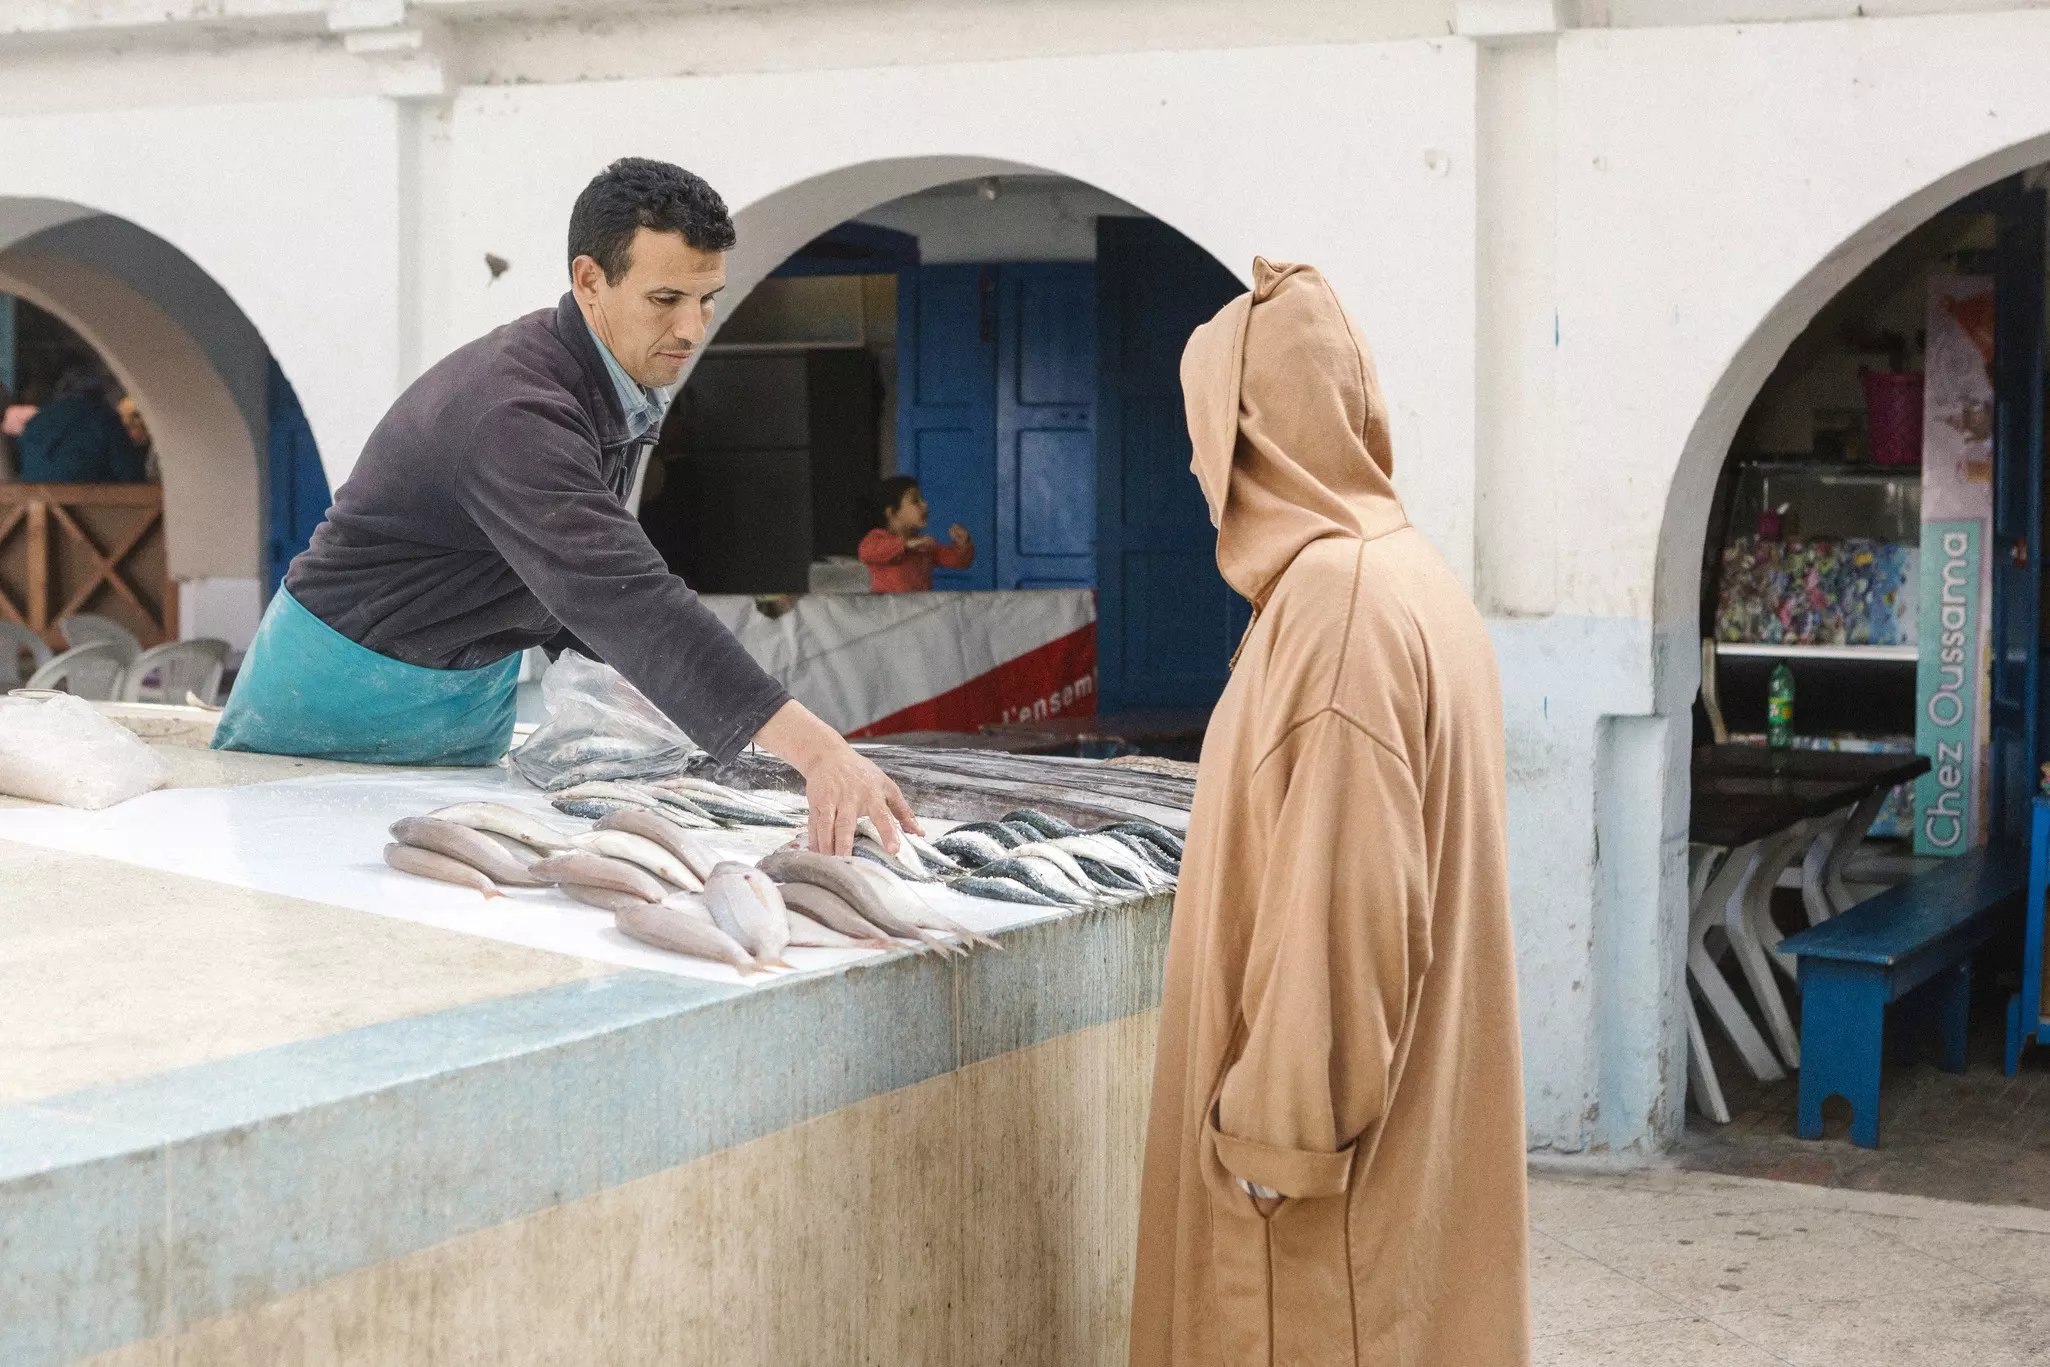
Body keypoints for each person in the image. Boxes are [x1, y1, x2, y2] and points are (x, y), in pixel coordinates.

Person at [212, 158, 916, 855]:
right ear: (589, 281)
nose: (692, 329)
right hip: (332, 707)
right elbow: (621, 591)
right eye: (665, 299)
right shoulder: (513, 410)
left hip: (453, 710)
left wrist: (641, 707)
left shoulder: (619, 383)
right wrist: (817, 749)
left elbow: (564, 585)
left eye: (706, 300)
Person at [1129, 260, 1530, 1366]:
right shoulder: (1401, 575)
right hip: (1382, 1167)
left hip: (1309, 1212)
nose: (1197, 458)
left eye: (1205, 426)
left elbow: (1347, 904)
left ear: (1252, 428)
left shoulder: (1337, 603)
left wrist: (1276, 1145)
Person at [14, 368, 147, 483]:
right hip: (93, 509)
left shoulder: (37, 420)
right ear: (99, 393)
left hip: (32, 508)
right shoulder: (104, 419)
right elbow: (131, 474)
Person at [857, 476, 974, 592]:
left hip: (919, 608)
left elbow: (958, 561)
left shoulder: (922, 545)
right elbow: (865, 552)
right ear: (892, 512)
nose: (925, 504)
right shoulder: (877, 538)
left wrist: (963, 543)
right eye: (915, 501)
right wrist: (905, 544)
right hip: (888, 609)